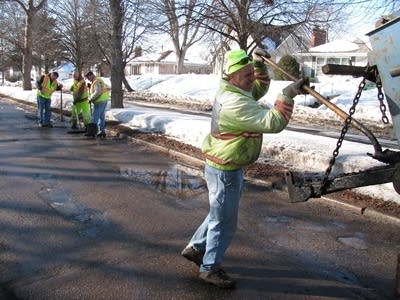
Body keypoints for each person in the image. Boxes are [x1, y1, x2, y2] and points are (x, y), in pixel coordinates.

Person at [181, 48, 308, 289]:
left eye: (251, 73)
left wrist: (259, 66)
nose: (251, 78)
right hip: (224, 169)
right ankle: (209, 269)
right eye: (247, 74)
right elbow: (274, 121)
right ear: (232, 77)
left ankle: (196, 247)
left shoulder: (235, 89)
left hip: (227, 164)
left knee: (219, 213)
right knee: (224, 221)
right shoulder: (234, 103)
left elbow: (258, 88)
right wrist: (288, 94)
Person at [84, 71, 110, 138]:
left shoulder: (96, 81)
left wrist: (90, 99)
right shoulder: (98, 80)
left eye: (88, 77)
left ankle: (92, 132)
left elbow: (97, 92)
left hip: (99, 101)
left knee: (95, 116)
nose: (88, 79)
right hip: (103, 100)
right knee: (101, 116)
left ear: (91, 75)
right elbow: (106, 88)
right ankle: (102, 131)